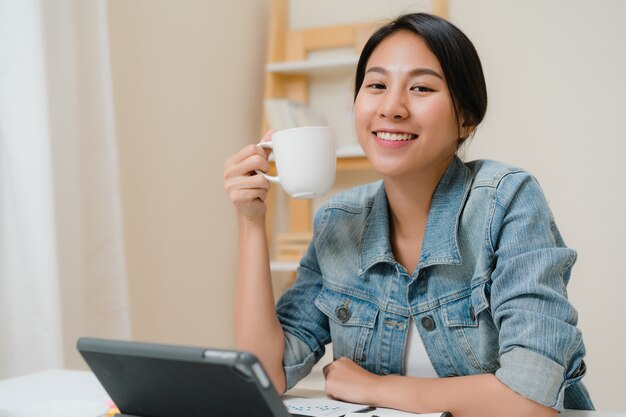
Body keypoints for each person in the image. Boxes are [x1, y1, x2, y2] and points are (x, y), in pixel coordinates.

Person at [223, 12, 593, 417]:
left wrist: (377, 389)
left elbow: (531, 399)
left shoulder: (507, 200)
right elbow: (264, 375)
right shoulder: (339, 221)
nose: (392, 108)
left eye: (420, 88)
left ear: (466, 119)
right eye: (377, 85)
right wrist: (251, 222)